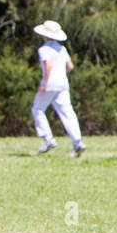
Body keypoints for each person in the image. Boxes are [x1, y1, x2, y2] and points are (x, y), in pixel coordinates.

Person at [31, 20, 84, 157]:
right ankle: (78, 142)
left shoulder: (44, 50)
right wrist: (60, 75)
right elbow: (70, 66)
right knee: (67, 112)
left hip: (50, 83)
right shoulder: (62, 49)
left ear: (45, 35)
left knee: (37, 109)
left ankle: (48, 138)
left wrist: (45, 84)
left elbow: (47, 66)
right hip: (63, 83)